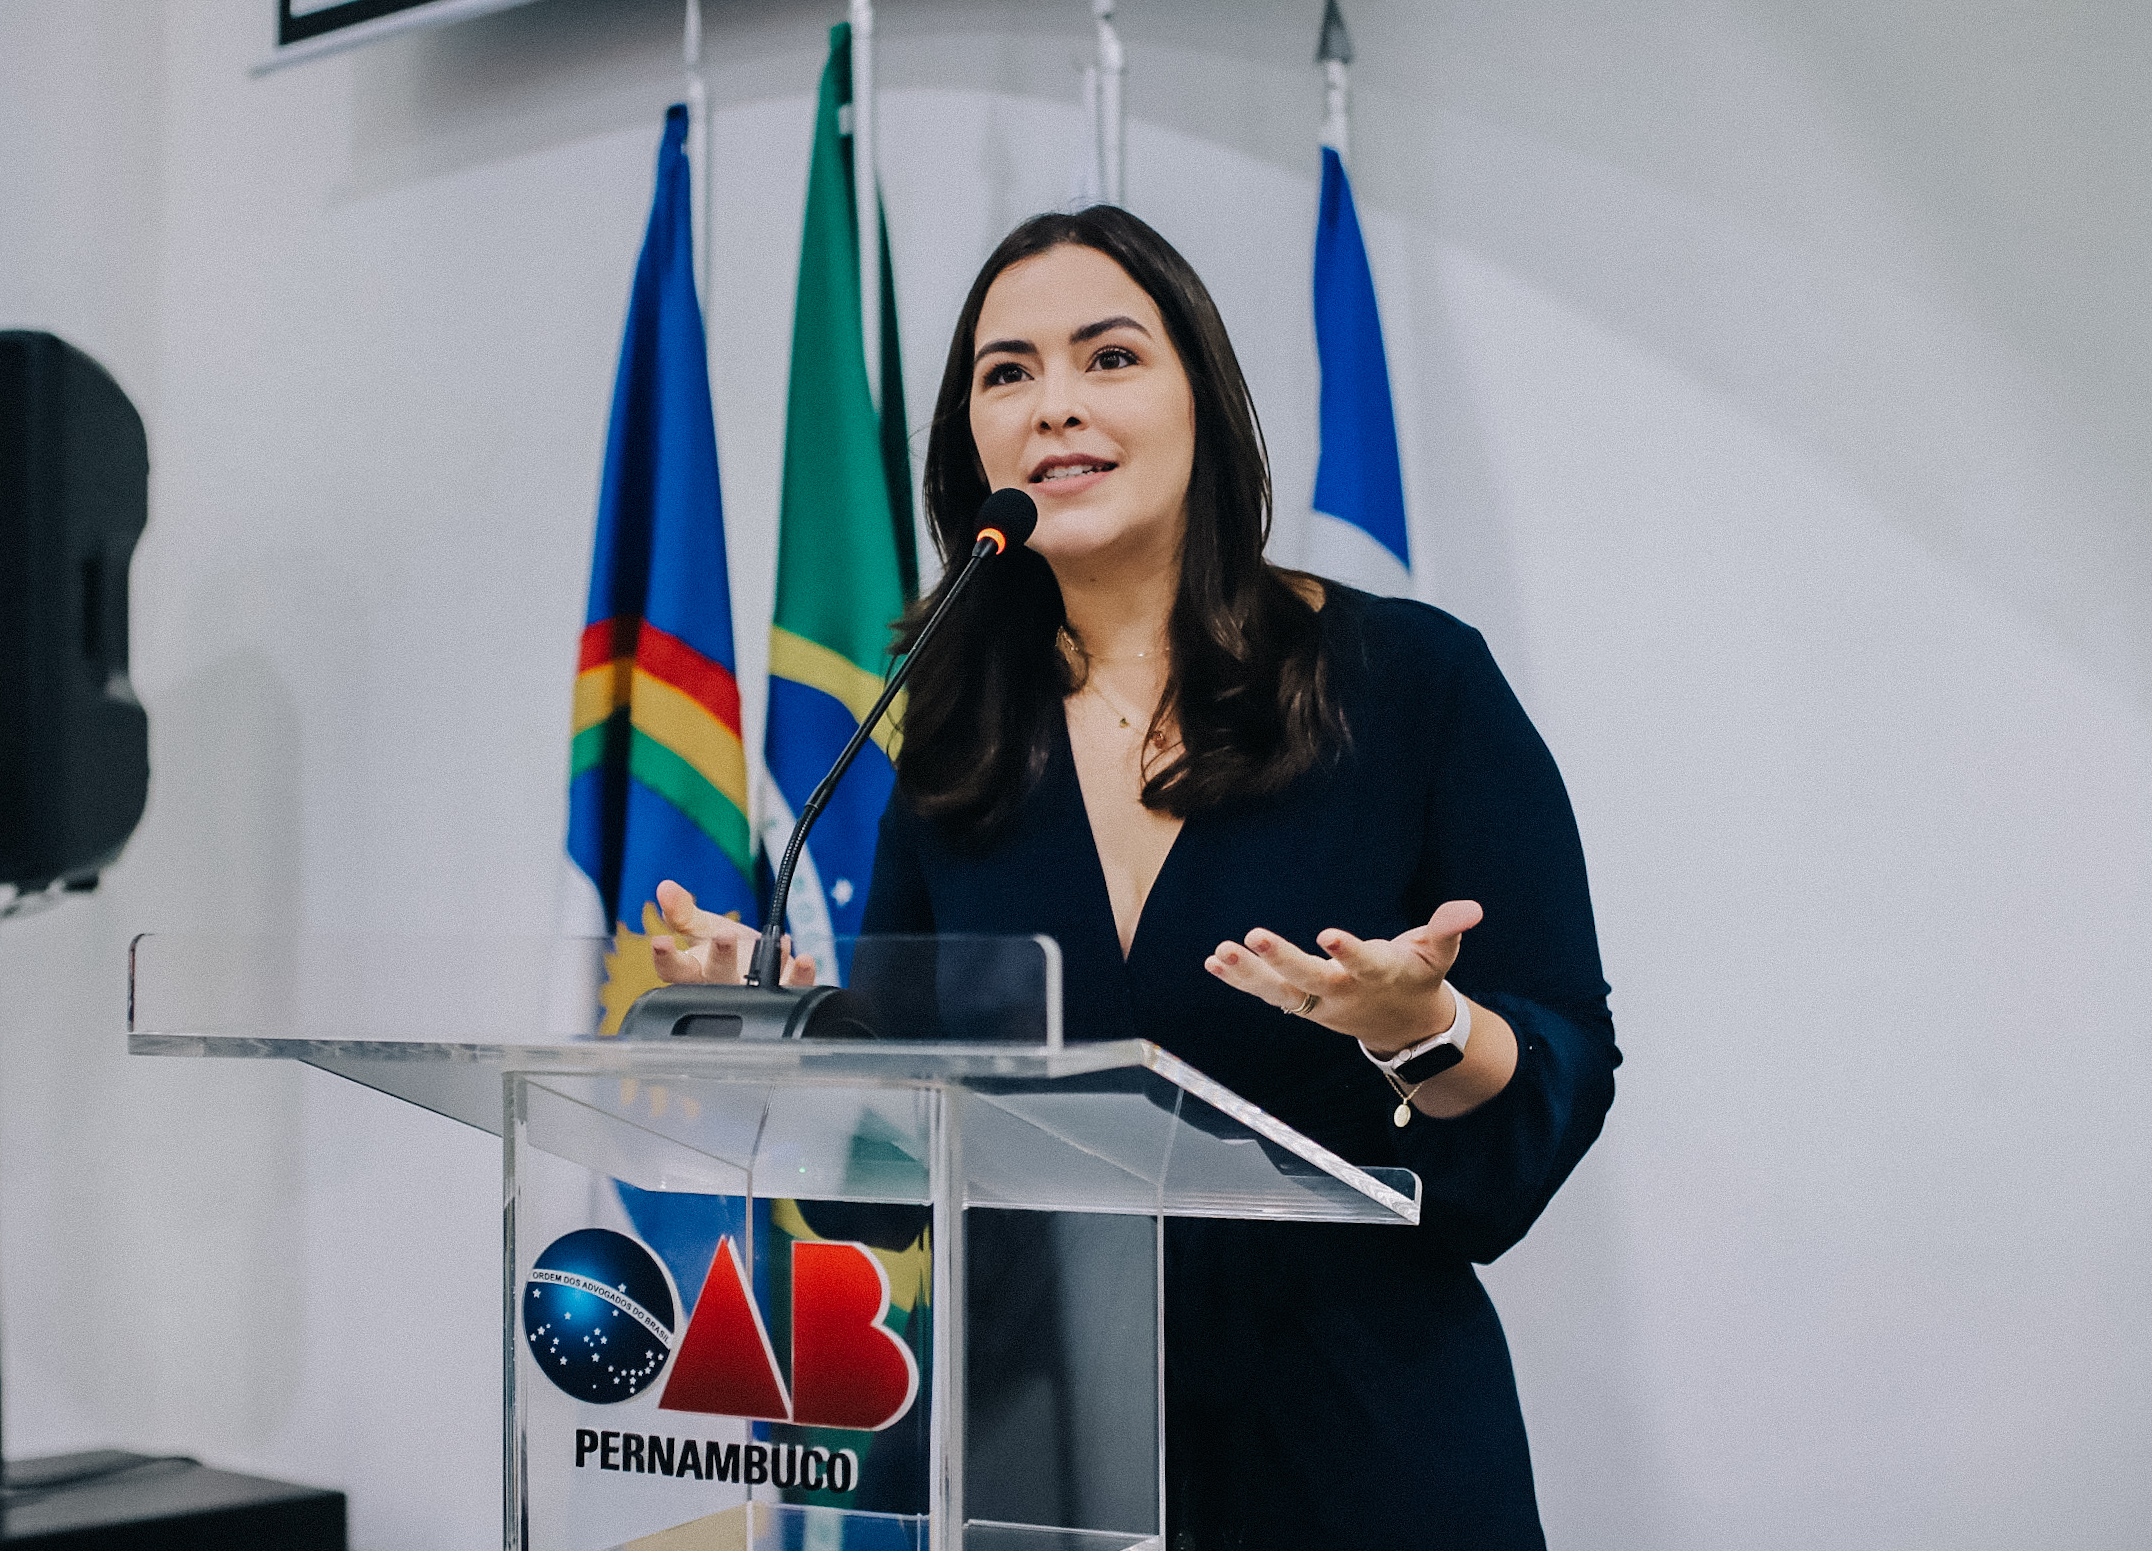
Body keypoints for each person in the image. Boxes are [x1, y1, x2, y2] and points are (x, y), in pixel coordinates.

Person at [649, 205, 1617, 1549]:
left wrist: (1424, 1029)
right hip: (1040, 1464)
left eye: (1108, 357)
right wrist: (785, 1030)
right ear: (970, 443)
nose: (1055, 404)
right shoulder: (956, 737)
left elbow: (1564, 1073)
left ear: (1200, 400)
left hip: (1351, 1447)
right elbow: (888, 1182)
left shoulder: (1410, 682)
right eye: (1007, 372)